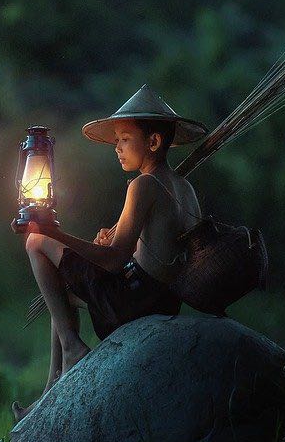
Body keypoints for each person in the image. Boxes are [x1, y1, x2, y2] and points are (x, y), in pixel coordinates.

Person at [12, 84, 206, 422]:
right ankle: (51, 387)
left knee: (34, 242)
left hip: (134, 301)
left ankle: (73, 350)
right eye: (116, 140)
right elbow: (155, 253)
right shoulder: (184, 188)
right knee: (61, 294)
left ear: (154, 142)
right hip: (162, 299)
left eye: (125, 139)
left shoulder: (143, 185)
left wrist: (54, 233)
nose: (117, 148)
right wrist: (100, 245)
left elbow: (116, 261)